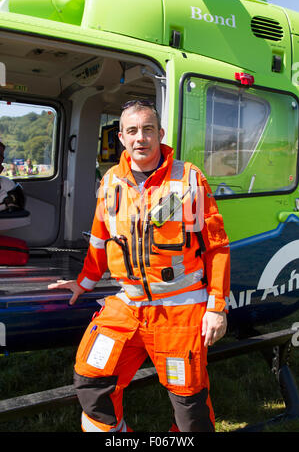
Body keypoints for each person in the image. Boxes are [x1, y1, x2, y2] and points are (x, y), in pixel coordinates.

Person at [48, 99, 230, 433]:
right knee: (91, 377)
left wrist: (216, 307)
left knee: (188, 403)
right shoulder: (110, 183)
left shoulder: (190, 179)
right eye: (132, 130)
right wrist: (84, 282)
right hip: (128, 305)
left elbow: (217, 247)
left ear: (160, 134)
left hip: (180, 308)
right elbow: (100, 241)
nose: (140, 138)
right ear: (120, 137)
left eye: (148, 129)